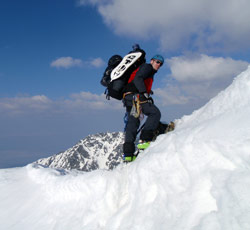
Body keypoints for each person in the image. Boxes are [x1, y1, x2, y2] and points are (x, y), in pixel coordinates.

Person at [122, 54, 164, 162]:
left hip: (129, 98)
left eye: (161, 63)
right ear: (152, 61)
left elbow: (138, 80)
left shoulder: (147, 70)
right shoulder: (147, 67)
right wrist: (144, 93)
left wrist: (148, 91)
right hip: (136, 97)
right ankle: (145, 140)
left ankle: (128, 154)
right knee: (154, 113)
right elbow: (138, 78)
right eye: (157, 62)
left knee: (133, 122)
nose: (159, 65)